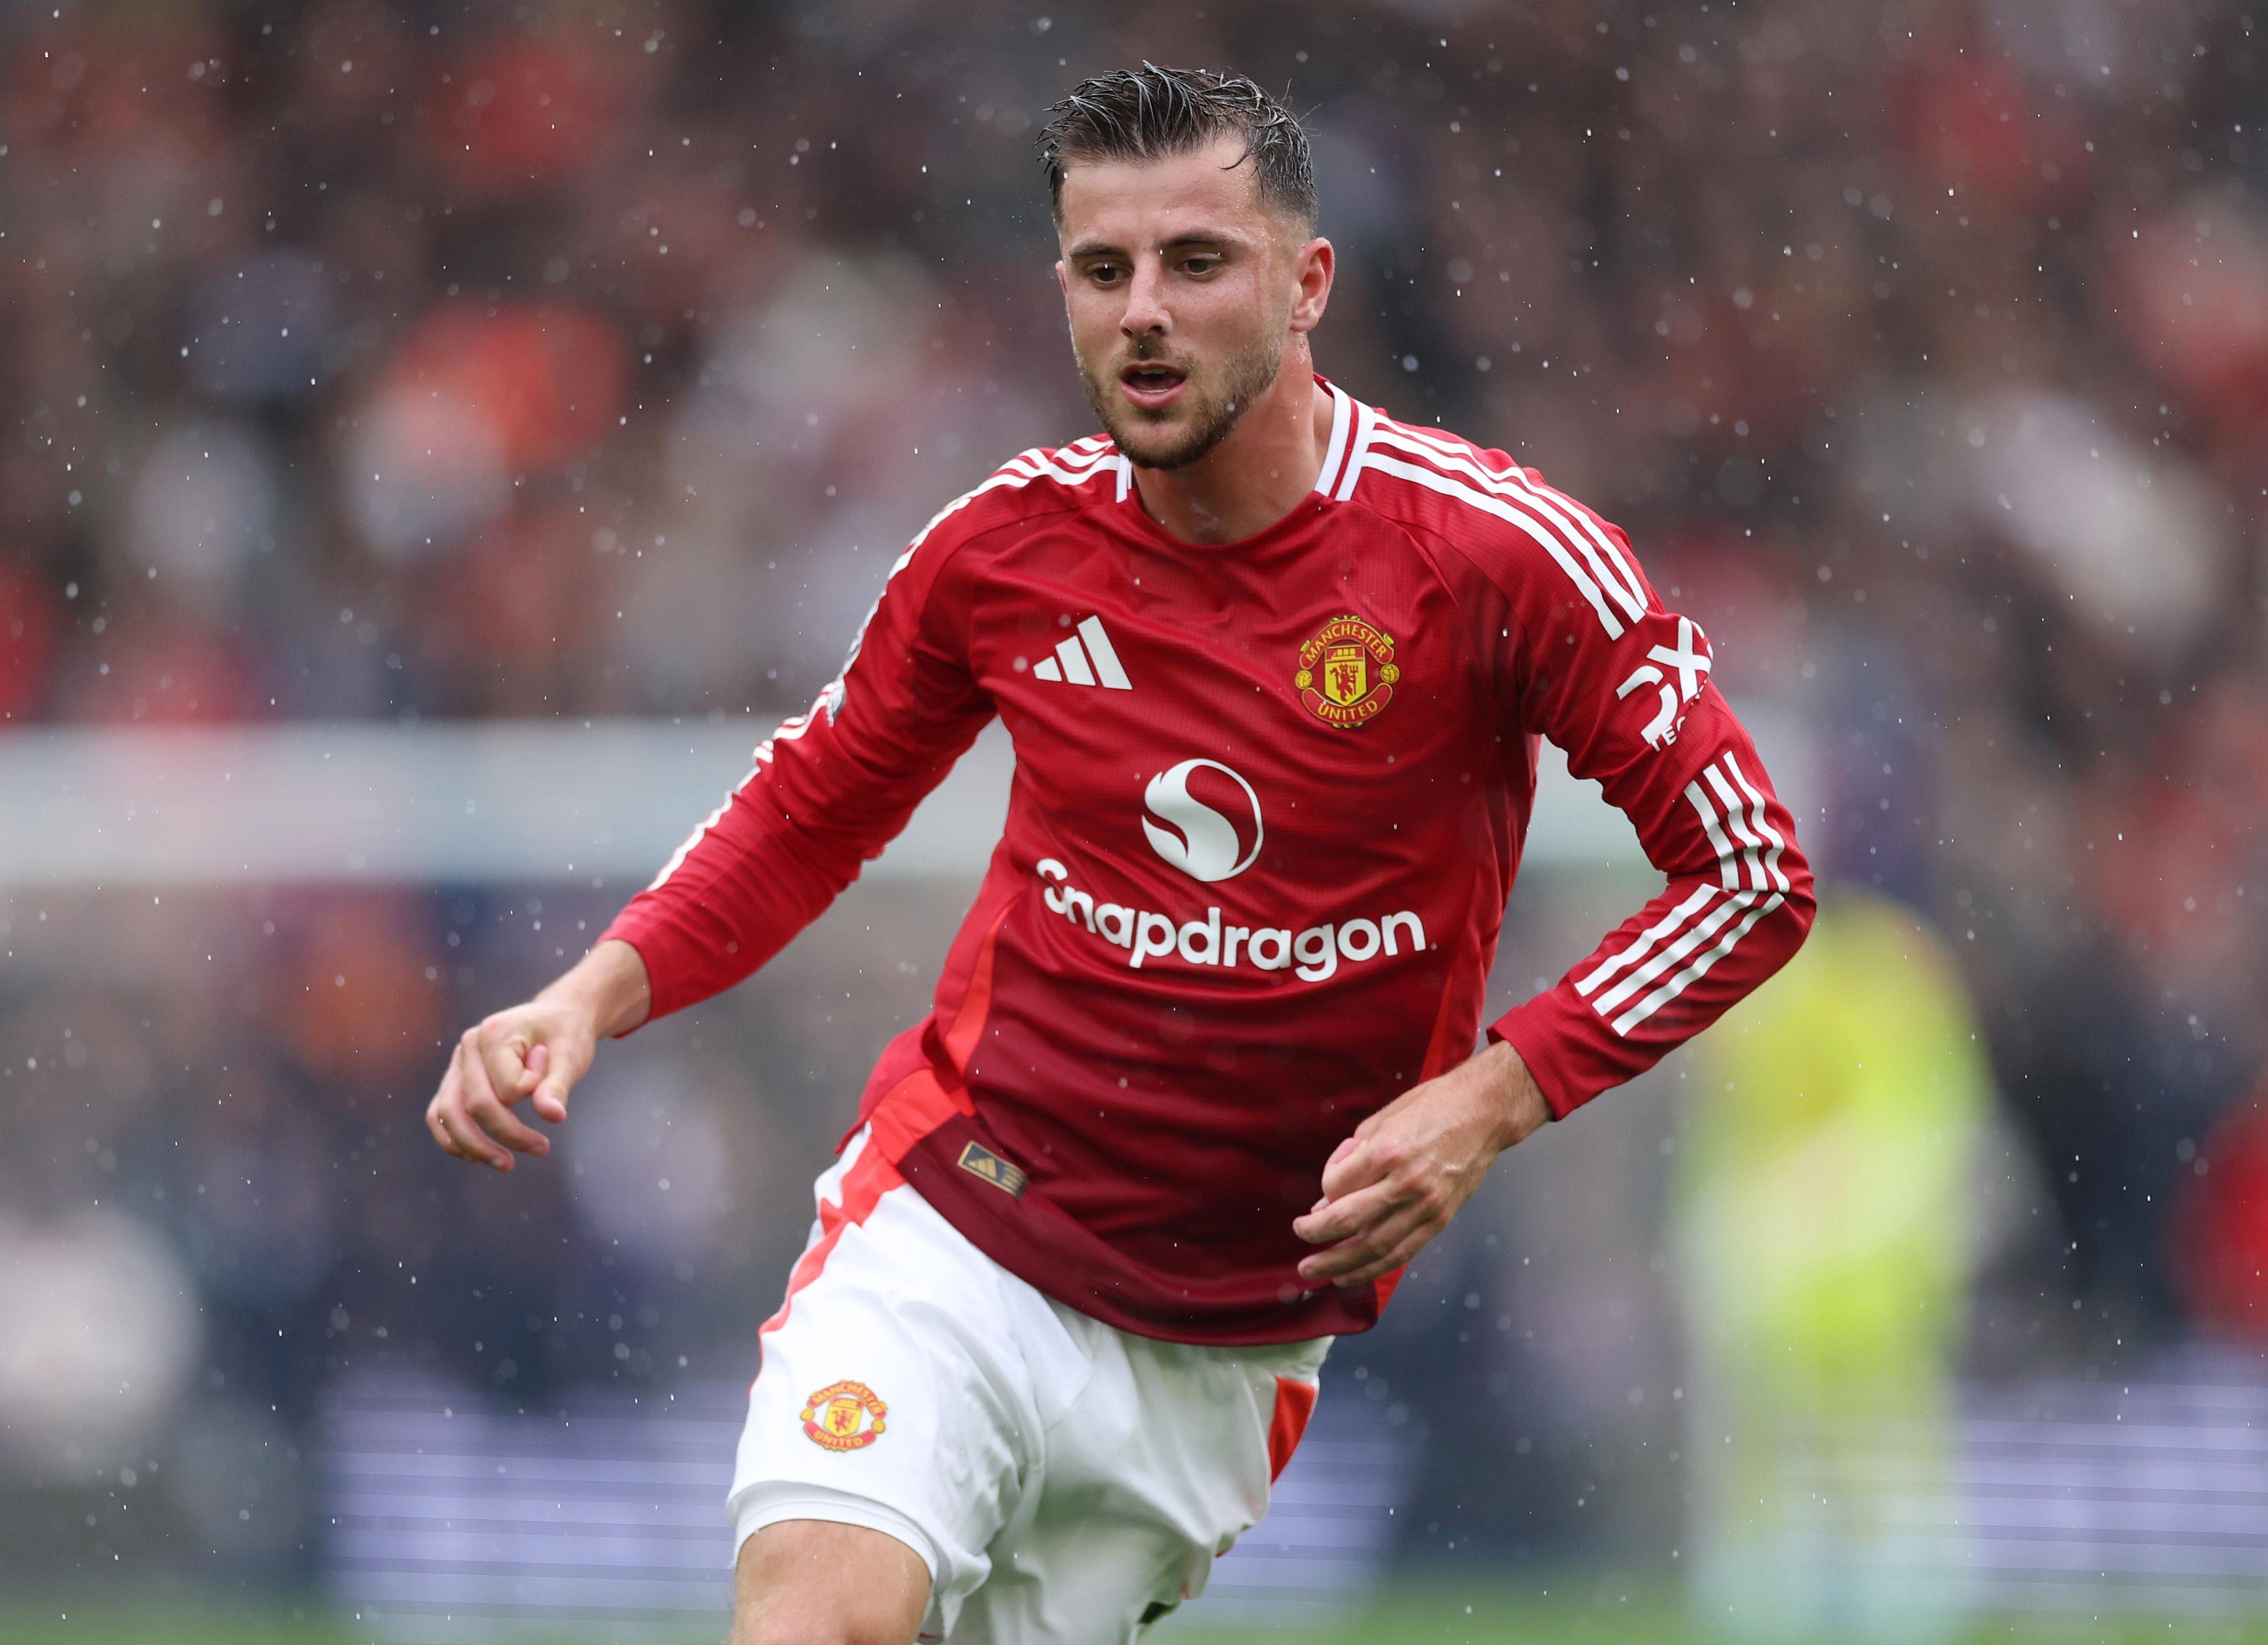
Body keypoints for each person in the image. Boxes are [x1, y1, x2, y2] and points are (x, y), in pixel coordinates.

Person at [424, 65, 1815, 1645]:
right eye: (1104, 271)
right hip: (955, 1232)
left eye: (1195, 263)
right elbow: (812, 805)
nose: (1143, 311)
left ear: (1308, 285)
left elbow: (1754, 873)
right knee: (820, 1626)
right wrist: (587, 999)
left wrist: (1493, 1100)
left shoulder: (1494, 558)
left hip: (1220, 1354)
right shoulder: (1002, 552)